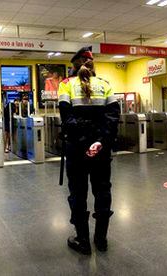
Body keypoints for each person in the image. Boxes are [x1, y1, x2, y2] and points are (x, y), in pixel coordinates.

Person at [58, 46, 120, 255]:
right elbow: (112, 119)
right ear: (93, 65)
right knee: (102, 191)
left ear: (73, 65)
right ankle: (101, 240)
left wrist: (85, 142)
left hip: (76, 150)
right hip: (101, 151)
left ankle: (83, 241)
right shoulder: (105, 85)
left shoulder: (65, 85)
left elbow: (68, 119)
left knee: (78, 193)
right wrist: (99, 141)